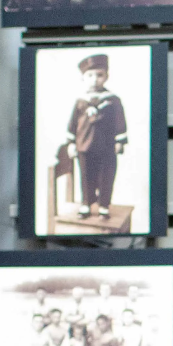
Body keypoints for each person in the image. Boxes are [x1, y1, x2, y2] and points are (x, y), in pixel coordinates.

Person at [65, 54, 127, 221]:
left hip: (106, 146)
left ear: (106, 76)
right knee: (86, 175)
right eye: (90, 75)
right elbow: (72, 124)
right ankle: (86, 204)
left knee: (106, 175)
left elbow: (120, 121)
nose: (95, 80)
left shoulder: (113, 100)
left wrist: (120, 141)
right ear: (83, 78)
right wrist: (71, 143)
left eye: (99, 75)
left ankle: (104, 205)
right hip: (84, 145)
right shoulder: (80, 101)